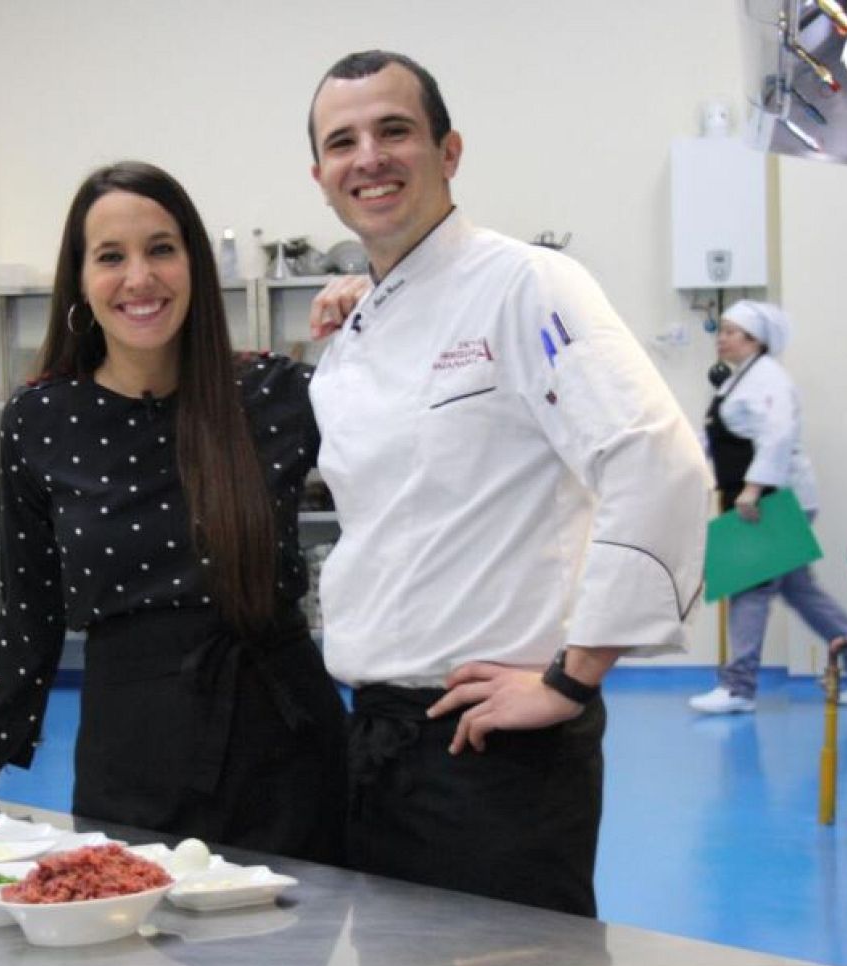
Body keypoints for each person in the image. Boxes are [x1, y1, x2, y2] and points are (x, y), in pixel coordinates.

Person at [303, 50, 710, 916]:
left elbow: (655, 459)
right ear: (321, 176)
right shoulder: (363, 320)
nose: (368, 157)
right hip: (378, 740)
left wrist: (571, 679)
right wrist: (359, 299)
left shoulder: (527, 285)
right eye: (343, 142)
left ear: (449, 151)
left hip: (491, 751)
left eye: (394, 131)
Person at [0, 161, 347, 864]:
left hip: (284, 744)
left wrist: (382, 309)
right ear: (80, 279)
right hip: (130, 747)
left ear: (194, 264)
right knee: (133, 930)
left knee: (292, 934)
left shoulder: (277, 394)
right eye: (111, 256)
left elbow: (422, 474)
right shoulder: (42, 418)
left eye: (161, 249)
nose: (139, 278)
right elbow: (30, 607)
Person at [688, 300, 847, 714]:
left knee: (750, 588)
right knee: (799, 590)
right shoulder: (737, 381)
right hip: (757, 499)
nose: (721, 338)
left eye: (731, 332)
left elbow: (778, 436)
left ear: (756, 340)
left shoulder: (769, 379)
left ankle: (738, 688)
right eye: (721, 330)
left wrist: (753, 488)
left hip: (771, 500)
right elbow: (714, 438)